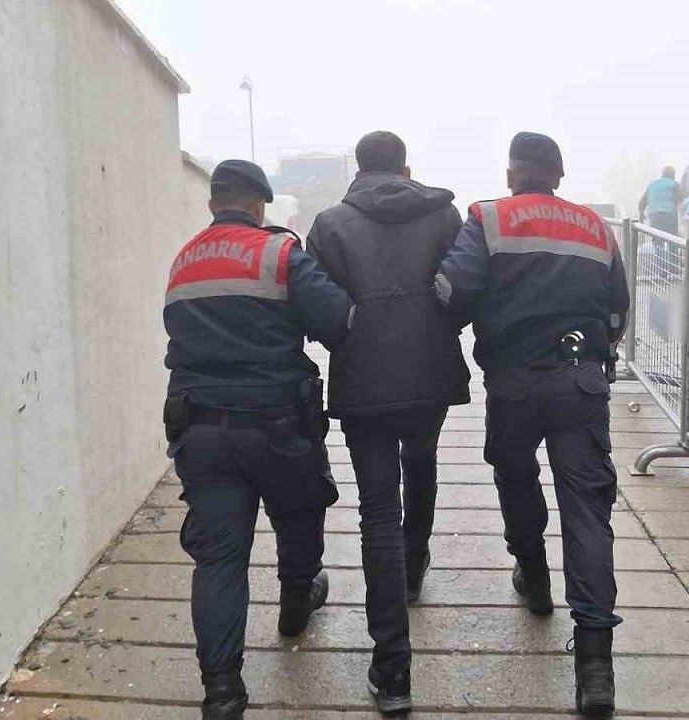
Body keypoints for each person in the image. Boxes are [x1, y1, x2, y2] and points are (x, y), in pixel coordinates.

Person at [433, 132, 630, 718]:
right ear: (559, 176)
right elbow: (617, 311)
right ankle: (595, 668)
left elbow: (452, 291)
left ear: (512, 173)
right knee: (587, 510)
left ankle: (535, 577)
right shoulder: (595, 227)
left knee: (516, 476)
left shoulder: (489, 218)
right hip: (580, 382)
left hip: (514, 383)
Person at [163, 159, 354, 720]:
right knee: (299, 512)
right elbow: (338, 319)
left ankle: (222, 691)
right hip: (277, 426)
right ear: (259, 203)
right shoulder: (277, 253)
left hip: (200, 429)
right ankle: (296, 602)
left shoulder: (184, 260)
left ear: (213, 202)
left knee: (218, 560)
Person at [305, 131, 470, 714]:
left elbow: (317, 307)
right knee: (421, 461)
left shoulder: (330, 224)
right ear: (405, 168)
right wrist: (439, 328)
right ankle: (415, 562)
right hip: (429, 372)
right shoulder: (444, 214)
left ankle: (393, 668)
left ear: (357, 169)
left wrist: (349, 335)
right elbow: (462, 290)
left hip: (364, 380)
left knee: (377, 509)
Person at [638, 166, 683, 271]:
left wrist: (641, 214)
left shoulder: (652, 185)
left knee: (658, 242)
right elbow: (680, 201)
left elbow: (641, 203)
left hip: (654, 216)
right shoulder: (674, 184)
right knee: (672, 241)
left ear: (662, 174)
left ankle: (660, 269)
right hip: (669, 215)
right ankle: (673, 268)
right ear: (673, 175)